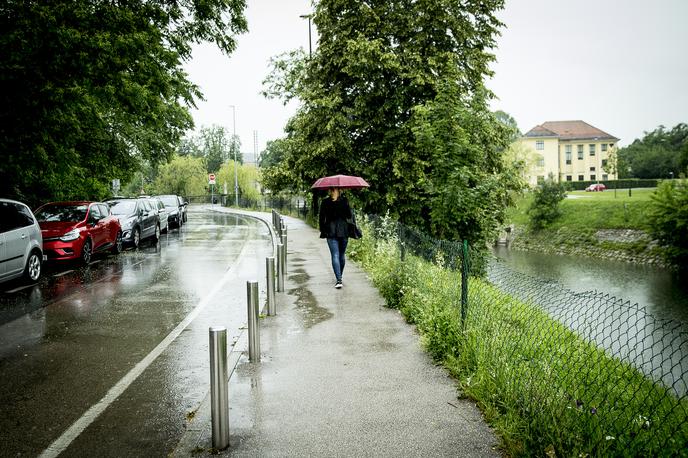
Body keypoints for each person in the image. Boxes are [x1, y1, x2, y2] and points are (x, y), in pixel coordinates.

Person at [318, 187, 352, 289]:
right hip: (343, 231)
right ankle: (339, 277)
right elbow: (349, 215)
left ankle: (339, 279)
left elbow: (321, 218)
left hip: (330, 231)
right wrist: (346, 206)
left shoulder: (325, 202)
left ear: (330, 191)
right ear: (339, 190)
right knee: (341, 254)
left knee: (335, 255)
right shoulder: (345, 201)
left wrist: (323, 230)